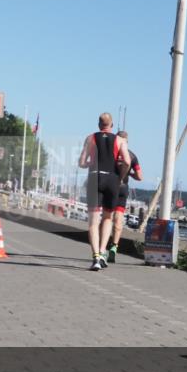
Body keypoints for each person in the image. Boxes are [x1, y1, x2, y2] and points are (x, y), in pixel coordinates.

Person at [78, 112, 130, 271]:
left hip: (95, 178)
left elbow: (81, 162)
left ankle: (94, 258)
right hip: (112, 180)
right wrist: (120, 176)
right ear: (112, 125)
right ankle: (102, 253)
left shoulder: (90, 138)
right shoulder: (120, 140)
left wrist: (90, 164)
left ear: (99, 125)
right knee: (108, 218)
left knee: (93, 223)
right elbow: (127, 161)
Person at [106, 130, 142, 265]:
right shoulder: (132, 156)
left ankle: (102, 247)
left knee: (106, 217)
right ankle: (114, 246)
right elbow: (140, 176)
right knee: (119, 219)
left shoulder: (111, 152)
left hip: (111, 187)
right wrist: (130, 174)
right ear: (127, 141)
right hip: (123, 188)